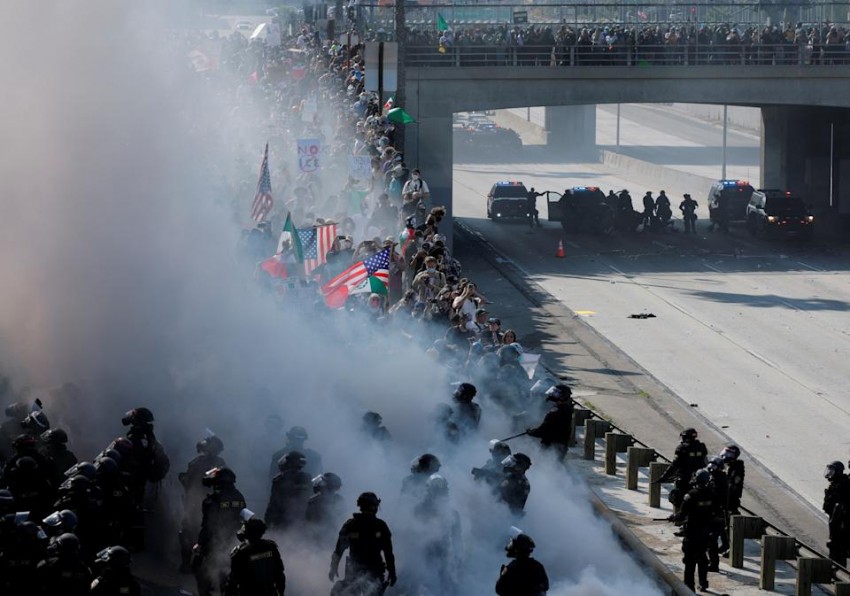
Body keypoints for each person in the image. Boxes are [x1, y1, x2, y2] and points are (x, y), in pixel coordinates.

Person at [329, 492, 397, 595]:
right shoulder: (380, 525)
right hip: (372, 571)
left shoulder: (351, 524)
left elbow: (339, 550)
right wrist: (392, 572)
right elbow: (388, 552)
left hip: (356, 570)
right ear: (375, 506)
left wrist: (333, 567)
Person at [194, 467, 247, 596]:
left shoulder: (213, 500)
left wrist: (200, 544)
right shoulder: (239, 496)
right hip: (235, 540)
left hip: (216, 542)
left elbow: (208, 525)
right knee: (229, 573)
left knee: (201, 570)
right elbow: (244, 518)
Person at [179, 433, 226, 573]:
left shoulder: (196, 462)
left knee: (187, 533)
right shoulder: (221, 463)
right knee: (210, 534)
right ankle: (206, 566)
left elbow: (188, 482)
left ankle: (187, 564)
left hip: (196, 504)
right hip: (213, 505)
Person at [676, 469, 718, 592]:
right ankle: (703, 583)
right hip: (705, 533)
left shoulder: (691, 495)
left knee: (689, 562)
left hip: (692, 533)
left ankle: (689, 589)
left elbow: (681, 515)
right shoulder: (712, 494)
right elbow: (716, 512)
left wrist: (674, 517)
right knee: (702, 558)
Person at [225, 516, 286, 596]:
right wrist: (281, 593)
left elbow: (233, 582)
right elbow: (280, 574)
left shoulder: (240, 552)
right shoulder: (271, 547)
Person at [655, 428, 708, 516]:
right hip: (699, 477)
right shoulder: (701, 446)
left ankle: (680, 518)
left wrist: (664, 477)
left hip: (685, 478)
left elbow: (674, 465)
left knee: (677, 497)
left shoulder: (682, 448)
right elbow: (705, 462)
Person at [266, 451, 312, 531]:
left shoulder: (279, 479)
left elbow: (273, 502)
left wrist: (268, 521)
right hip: (302, 518)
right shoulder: (307, 478)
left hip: (282, 518)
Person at [527, 384, 574, 460]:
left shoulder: (556, 412)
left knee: (546, 464)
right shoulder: (565, 409)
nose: (553, 395)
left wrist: (531, 432)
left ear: (562, 396)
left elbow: (544, 430)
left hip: (551, 447)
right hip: (559, 446)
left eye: (556, 393)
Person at [719, 444, 744, 556]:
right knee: (722, 524)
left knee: (730, 525)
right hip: (724, 499)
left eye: (729, 453)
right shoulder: (727, 466)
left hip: (731, 500)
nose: (726, 456)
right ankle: (725, 544)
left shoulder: (737, 467)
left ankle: (731, 548)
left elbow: (732, 485)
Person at [823, 461, 850, 565]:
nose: (829, 473)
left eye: (832, 471)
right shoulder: (835, 484)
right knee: (835, 548)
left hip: (842, 524)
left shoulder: (844, 484)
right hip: (835, 522)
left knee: (839, 548)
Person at [705, 457, 728, 572]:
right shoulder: (716, 479)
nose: (711, 469)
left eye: (714, 467)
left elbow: (714, 498)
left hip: (716, 515)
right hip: (716, 514)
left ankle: (714, 564)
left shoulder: (718, 481)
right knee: (711, 540)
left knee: (711, 540)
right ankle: (712, 562)